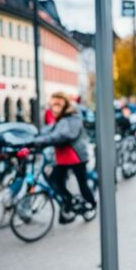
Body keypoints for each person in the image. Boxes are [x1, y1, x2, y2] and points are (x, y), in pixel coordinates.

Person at [31, 93, 96, 224]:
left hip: (76, 156)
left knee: (82, 183)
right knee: (55, 181)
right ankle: (69, 203)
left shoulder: (72, 118)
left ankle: (91, 204)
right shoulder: (60, 119)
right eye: (52, 105)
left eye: (57, 104)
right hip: (62, 157)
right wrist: (34, 139)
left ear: (65, 104)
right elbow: (49, 132)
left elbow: (63, 135)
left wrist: (39, 141)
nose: (54, 108)